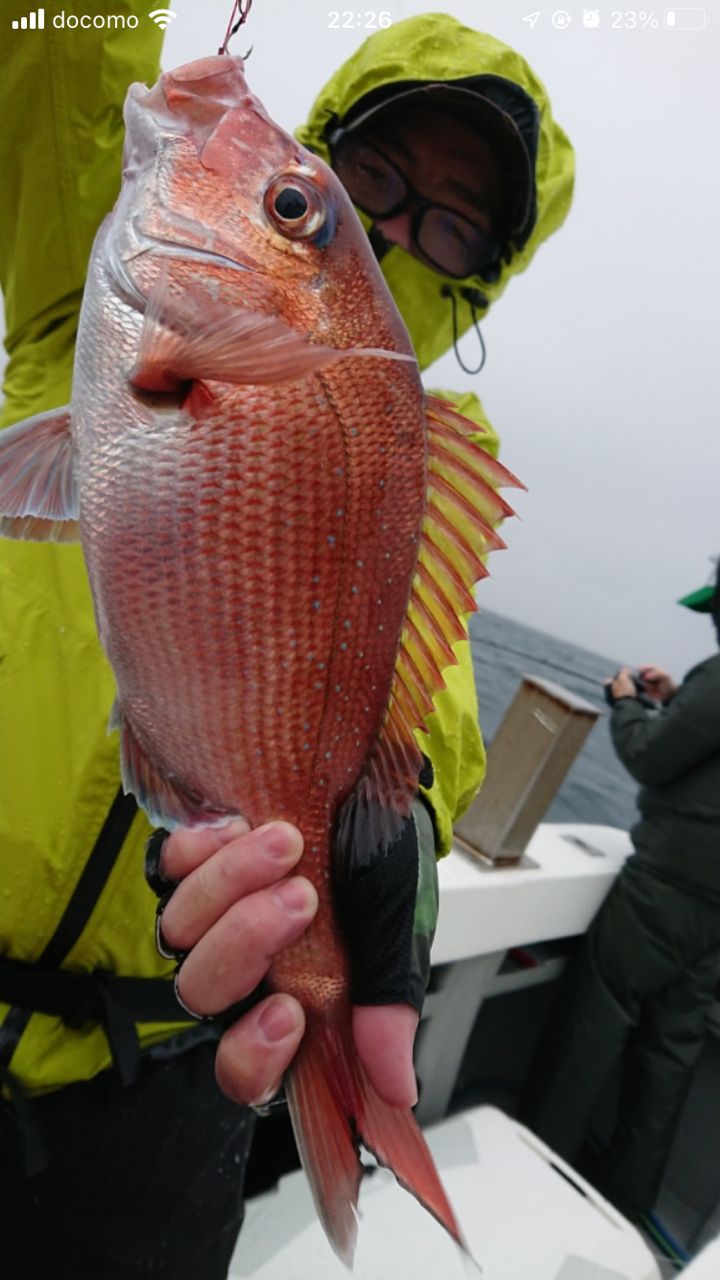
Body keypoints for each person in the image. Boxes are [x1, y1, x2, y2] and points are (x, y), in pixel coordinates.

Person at [0, 8, 573, 1276]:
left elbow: (427, 718)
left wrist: (397, 840)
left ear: (480, 272)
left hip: (161, 1071)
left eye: (455, 217)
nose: (405, 220)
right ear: (329, 152)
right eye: (368, 179)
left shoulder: (423, 466)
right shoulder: (81, 303)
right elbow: (52, 41)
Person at [520, 561, 720, 1221]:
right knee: (668, 1056)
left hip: (666, 891)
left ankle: (529, 1176)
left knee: (589, 1030)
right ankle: (624, 1210)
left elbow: (651, 757)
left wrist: (628, 702)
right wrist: (669, 702)